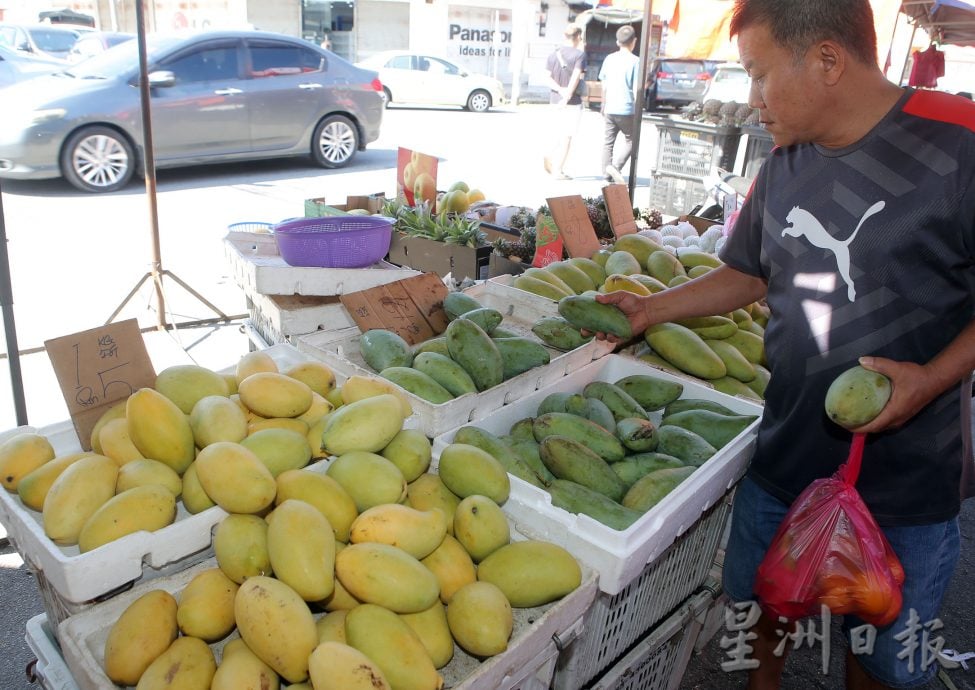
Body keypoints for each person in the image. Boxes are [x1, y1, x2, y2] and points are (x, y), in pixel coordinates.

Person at [594, 0, 975, 687]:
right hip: (787, 450)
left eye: (758, 74)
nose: (750, 99)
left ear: (826, 60)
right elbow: (746, 274)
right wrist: (648, 310)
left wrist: (928, 378)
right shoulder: (786, 159)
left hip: (907, 474)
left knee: (881, 652)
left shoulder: (960, 143)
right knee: (761, 614)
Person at [598, 25, 640, 184]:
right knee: (632, 140)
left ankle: (605, 173)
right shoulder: (636, 61)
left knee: (608, 141)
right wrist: (639, 108)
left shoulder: (609, 58)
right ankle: (615, 167)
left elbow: (604, 84)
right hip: (626, 108)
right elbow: (637, 89)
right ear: (634, 41)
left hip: (610, 107)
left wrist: (603, 104)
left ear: (617, 42)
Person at [543, 24, 586, 181]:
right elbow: (576, 77)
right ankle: (558, 170)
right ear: (578, 37)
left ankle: (548, 153)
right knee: (567, 136)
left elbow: (546, 77)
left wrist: (560, 91)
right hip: (572, 102)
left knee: (556, 132)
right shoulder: (579, 55)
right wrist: (567, 96)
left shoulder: (554, 54)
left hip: (554, 99)